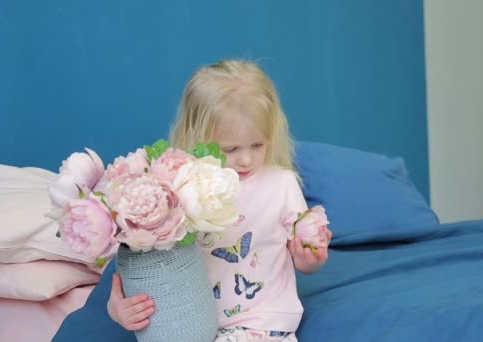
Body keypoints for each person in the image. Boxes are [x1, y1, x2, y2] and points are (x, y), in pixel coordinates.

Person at [107, 59, 331, 341]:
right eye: (231, 148)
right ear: (197, 136)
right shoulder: (180, 186)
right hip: (192, 324)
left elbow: (304, 262)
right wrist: (117, 308)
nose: (247, 158)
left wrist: (309, 258)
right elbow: (147, 266)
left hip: (262, 322)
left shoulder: (281, 184)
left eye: (258, 145)